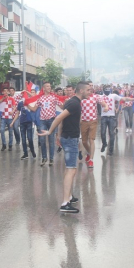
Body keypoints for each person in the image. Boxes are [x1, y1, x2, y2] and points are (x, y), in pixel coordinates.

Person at [37, 81, 91, 213]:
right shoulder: (74, 103)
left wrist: (59, 136)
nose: (90, 92)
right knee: (71, 170)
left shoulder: (73, 102)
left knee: (69, 169)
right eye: (89, 90)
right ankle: (65, 203)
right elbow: (59, 117)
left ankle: (70, 196)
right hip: (70, 139)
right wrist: (51, 132)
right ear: (82, 91)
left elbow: (63, 120)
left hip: (67, 138)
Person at [29, 82, 64, 166]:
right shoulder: (40, 98)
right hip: (42, 121)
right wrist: (27, 104)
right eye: (47, 86)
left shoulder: (53, 97)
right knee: (42, 140)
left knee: (51, 140)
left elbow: (62, 106)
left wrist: (66, 102)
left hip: (51, 121)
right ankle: (44, 158)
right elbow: (34, 109)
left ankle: (51, 158)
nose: (49, 87)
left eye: (50, 86)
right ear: (44, 88)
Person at [100, 85, 134, 155]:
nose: (107, 90)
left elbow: (124, 99)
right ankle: (104, 143)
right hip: (103, 117)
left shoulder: (114, 96)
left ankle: (111, 149)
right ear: (103, 90)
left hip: (111, 117)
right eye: (106, 89)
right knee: (102, 133)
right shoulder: (100, 97)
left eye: (108, 89)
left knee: (111, 133)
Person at [80, 81, 108, 168]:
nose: (91, 88)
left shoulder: (96, 97)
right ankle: (89, 153)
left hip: (93, 121)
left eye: (92, 86)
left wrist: (106, 107)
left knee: (91, 140)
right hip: (83, 121)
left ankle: (91, 160)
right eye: (89, 86)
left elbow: (103, 103)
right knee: (84, 141)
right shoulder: (81, 98)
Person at [11, 96, 36, 160]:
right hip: (22, 123)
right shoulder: (20, 104)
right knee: (23, 139)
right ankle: (25, 153)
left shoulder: (30, 103)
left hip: (29, 122)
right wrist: (13, 122)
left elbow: (34, 110)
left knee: (30, 138)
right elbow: (17, 113)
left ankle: (32, 150)